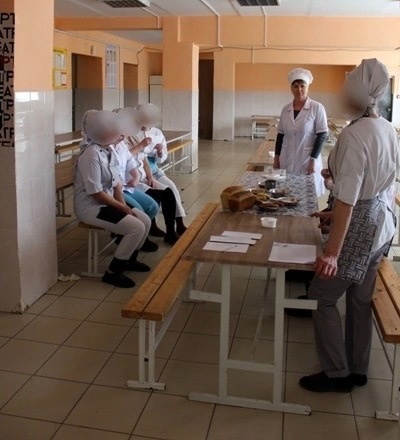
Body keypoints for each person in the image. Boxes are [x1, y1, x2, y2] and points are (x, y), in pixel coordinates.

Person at [299, 59, 399, 393]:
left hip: (361, 229)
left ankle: (336, 374)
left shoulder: (356, 134)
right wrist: (337, 211)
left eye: (350, 81)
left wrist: (332, 253)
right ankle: (358, 368)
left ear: (361, 91)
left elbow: (347, 200)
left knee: (321, 296)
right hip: (382, 226)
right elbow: (378, 184)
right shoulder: (387, 128)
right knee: (359, 299)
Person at [74, 110, 151, 288]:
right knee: (136, 228)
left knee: (145, 221)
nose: (121, 135)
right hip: (92, 208)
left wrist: (123, 206)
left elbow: (116, 184)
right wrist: (122, 209)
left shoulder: (109, 150)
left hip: (108, 202)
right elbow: (95, 193)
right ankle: (113, 272)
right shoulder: (91, 155)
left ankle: (130, 259)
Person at [119, 108, 180, 245]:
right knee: (155, 197)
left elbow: (144, 160)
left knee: (169, 192)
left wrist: (151, 177)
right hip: (130, 182)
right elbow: (125, 159)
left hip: (143, 177)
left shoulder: (133, 137)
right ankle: (147, 231)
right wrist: (141, 145)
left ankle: (171, 231)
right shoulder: (118, 141)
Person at [133, 103, 187, 235]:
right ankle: (153, 224)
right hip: (139, 173)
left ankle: (179, 221)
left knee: (171, 188)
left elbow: (161, 159)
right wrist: (142, 146)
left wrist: (159, 151)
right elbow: (133, 156)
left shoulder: (157, 132)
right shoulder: (133, 133)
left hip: (154, 170)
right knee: (153, 194)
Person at [274, 68, 328, 196]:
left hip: (307, 159)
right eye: (296, 86)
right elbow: (280, 135)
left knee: (306, 194)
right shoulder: (286, 109)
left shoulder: (317, 107)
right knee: (287, 192)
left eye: (302, 86)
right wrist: (276, 158)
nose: (299, 90)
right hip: (287, 157)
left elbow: (322, 135)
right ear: (291, 89)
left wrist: (313, 160)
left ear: (307, 88)